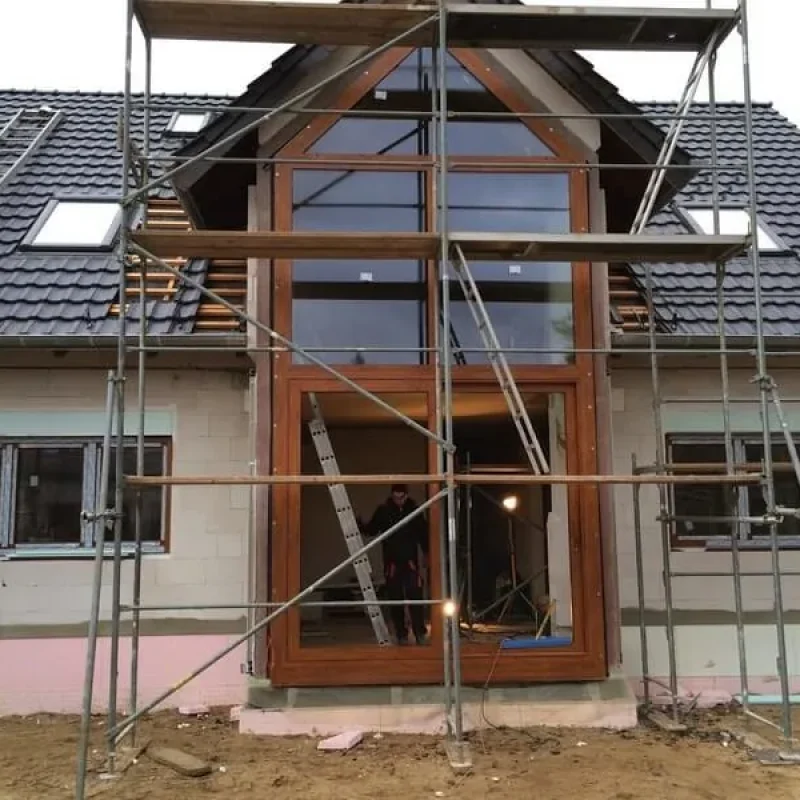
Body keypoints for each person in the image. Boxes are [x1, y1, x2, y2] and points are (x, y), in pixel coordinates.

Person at [361, 484, 429, 645]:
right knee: (395, 598)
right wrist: (359, 525)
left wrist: (427, 554)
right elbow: (372, 529)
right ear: (392, 496)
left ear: (406, 496)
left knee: (415, 596)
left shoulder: (414, 510)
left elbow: (423, 534)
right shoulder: (384, 511)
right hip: (392, 562)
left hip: (410, 561)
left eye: (402, 497)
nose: (399, 501)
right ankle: (401, 634)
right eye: (396, 497)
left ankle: (419, 632)